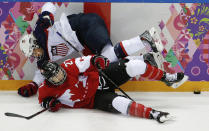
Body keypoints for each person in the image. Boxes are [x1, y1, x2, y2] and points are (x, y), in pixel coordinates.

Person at [18, 2, 162, 97]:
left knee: (106, 58)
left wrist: (46, 15)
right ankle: (144, 58)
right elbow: (40, 73)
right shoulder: (42, 58)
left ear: (34, 43)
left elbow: (48, 5)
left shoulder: (40, 32)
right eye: (33, 55)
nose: (36, 54)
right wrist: (33, 85)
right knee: (106, 63)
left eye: (34, 51)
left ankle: (143, 40)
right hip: (86, 39)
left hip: (85, 25)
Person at [38, 55, 186, 123]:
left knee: (135, 66)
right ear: (49, 80)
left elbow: (88, 60)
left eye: (58, 71)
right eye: (55, 77)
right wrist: (49, 104)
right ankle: (153, 114)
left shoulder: (68, 66)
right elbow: (43, 101)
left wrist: (97, 60)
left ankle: (167, 78)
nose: (59, 76)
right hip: (94, 100)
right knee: (120, 103)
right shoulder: (45, 89)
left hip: (102, 78)